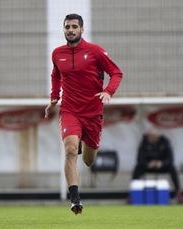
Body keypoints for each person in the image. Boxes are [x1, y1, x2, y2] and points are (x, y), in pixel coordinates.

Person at [44, 13, 123, 214]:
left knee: (88, 161)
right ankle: (75, 199)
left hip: (93, 112)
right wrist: (54, 97)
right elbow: (56, 75)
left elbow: (116, 73)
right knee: (70, 150)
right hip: (69, 109)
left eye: (74, 27)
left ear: (81, 30)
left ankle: (81, 141)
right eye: (67, 27)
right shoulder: (57, 53)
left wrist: (108, 91)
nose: (70, 30)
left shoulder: (95, 51)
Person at [132, 127, 183, 203]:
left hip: (161, 166)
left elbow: (170, 159)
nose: (150, 138)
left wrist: (162, 163)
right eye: (149, 136)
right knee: (137, 168)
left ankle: (178, 192)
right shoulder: (144, 143)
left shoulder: (164, 142)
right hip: (148, 166)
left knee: (172, 168)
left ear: (156, 136)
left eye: (152, 136)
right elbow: (139, 158)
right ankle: (132, 193)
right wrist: (147, 164)